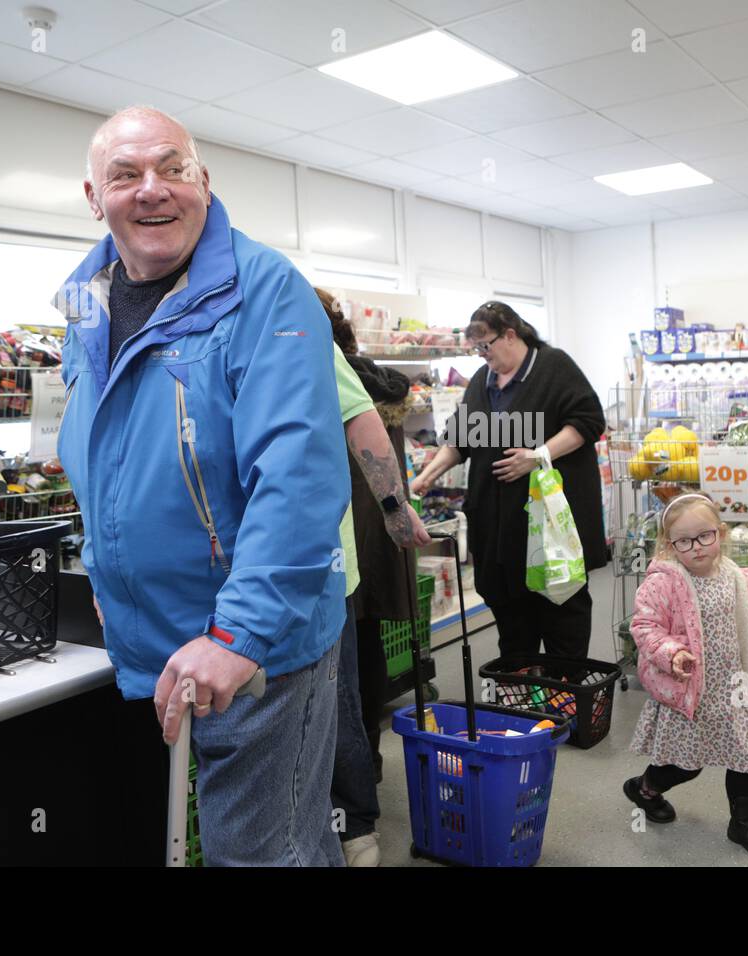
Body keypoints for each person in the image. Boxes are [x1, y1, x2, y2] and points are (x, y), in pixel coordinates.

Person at [57, 106, 349, 865]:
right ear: (94, 197)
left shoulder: (266, 292)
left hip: (256, 643)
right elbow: (99, 451)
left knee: (257, 854)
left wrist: (239, 634)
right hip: (155, 634)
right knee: (286, 837)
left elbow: (299, 474)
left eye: (172, 168)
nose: (152, 190)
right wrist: (103, 560)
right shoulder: (84, 302)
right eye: (125, 175)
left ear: (203, 181)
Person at [409, 302, 607, 659]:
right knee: (513, 631)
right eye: (476, 350)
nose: (482, 355)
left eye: (486, 346)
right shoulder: (483, 382)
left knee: (562, 622)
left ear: (511, 335)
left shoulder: (553, 367)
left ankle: (565, 703)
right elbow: (460, 439)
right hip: (498, 531)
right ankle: (521, 705)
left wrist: (539, 455)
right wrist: (425, 476)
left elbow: (588, 421)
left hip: (548, 529)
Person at [317, 289, 430, 866]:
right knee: (356, 677)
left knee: (336, 690)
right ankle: (362, 797)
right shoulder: (385, 384)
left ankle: (353, 817)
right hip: (366, 550)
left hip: (337, 548)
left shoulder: (320, 368)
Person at [624, 494, 748, 860]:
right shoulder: (663, 583)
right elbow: (644, 626)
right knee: (684, 765)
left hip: (732, 688)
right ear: (668, 544)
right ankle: (644, 787)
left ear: (721, 533)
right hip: (688, 691)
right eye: (683, 541)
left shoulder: (739, 579)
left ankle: (743, 824)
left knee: (745, 757)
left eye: (704, 536)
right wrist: (671, 653)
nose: (695, 548)